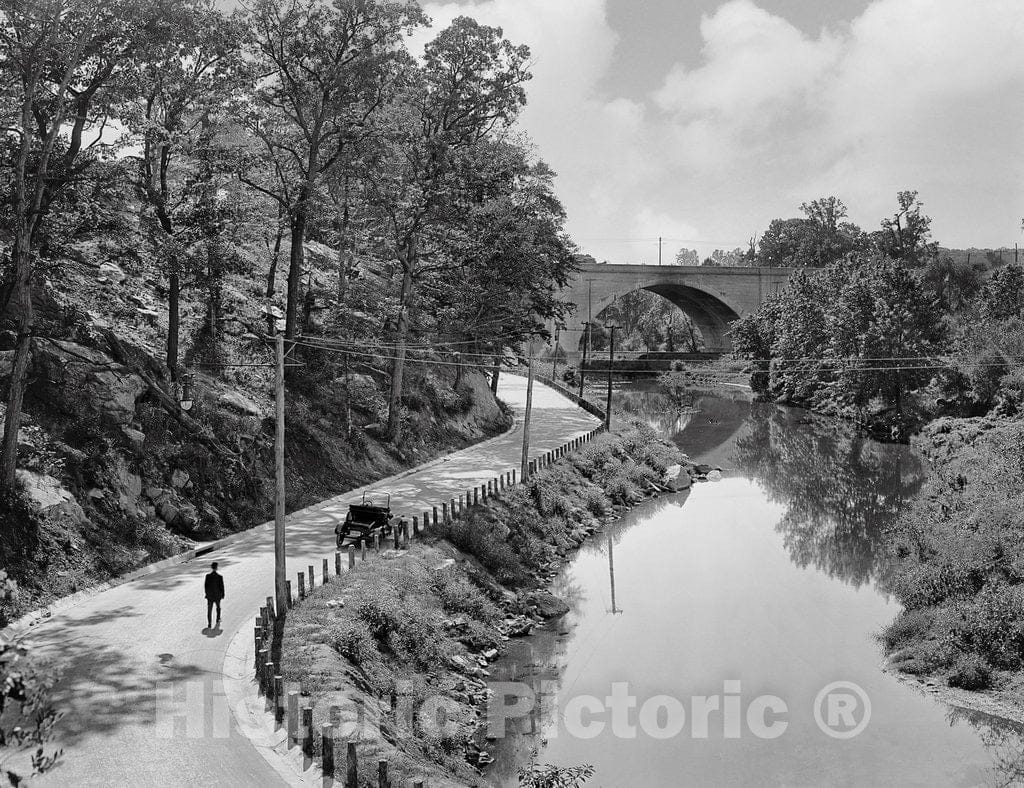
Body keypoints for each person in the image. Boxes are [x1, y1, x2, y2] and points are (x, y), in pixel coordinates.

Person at [204, 562, 225, 629]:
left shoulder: (208, 576)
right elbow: (222, 587)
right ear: (216, 568)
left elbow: (206, 587)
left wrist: (207, 594)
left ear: (211, 567)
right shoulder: (219, 577)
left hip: (210, 596)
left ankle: (209, 623)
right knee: (218, 607)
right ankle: (218, 619)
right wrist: (223, 594)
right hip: (217, 596)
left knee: (209, 610)